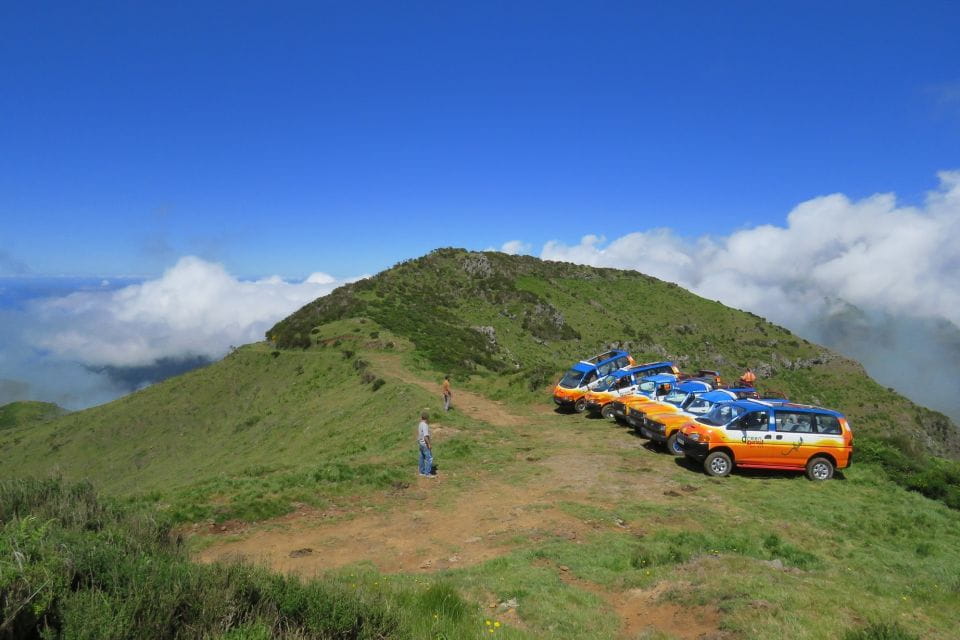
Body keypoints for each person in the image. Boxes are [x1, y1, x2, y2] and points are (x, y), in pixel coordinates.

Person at [417, 410, 435, 478]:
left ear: (422, 417)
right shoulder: (425, 425)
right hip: (425, 444)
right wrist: (429, 444)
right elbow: (425, 436)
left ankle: (421, 472)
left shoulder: (420, 424)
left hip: (421, 443)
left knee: (421, 457)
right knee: (429, 458)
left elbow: (419, 434)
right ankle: (427, 473)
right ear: (427, 418)